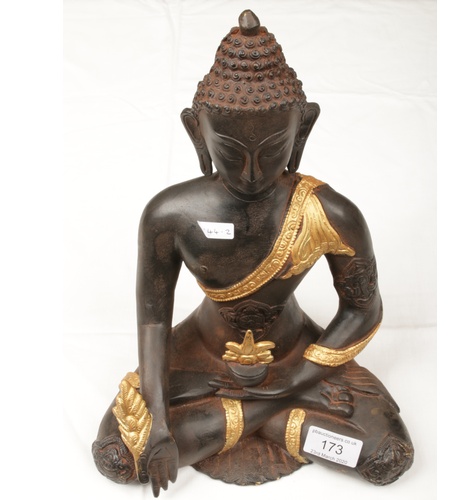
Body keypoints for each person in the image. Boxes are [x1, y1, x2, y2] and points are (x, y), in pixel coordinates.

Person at [92, 10, 414, 497]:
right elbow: (154, 320)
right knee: (120, 455)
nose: (250, 173)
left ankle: (241, 419)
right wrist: (157, 418)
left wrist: (294, 379)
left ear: (301, 130)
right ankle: (273, 418)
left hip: (297, 359)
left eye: (271, 150)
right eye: (229, 151)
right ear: (197, 133)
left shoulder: (328, 212)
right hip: (200, 357)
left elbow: (362, 310)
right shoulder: (170, 214)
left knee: (386, 456)